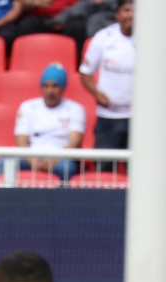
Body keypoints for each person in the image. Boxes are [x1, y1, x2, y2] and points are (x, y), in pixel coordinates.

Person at [0, 63, 85, 182]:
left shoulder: (75, 109)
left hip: (60, 158)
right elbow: (21, 142)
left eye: (55, 86)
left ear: (62, 87)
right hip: (30, 155)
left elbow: (74, 143)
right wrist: (33, 161)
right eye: (46, 86)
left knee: (66, 168)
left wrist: (54, 159)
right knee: (2, 164)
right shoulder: (28, 106)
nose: (50, 91)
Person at [79, 0, 133, 172]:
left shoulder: (151, 39)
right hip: (108, 117)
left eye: (135, 11)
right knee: (104, 170)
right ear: (117, 14)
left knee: (140, 172)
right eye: (126, 10)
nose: (130, 15)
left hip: (139, 119)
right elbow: (86, 72)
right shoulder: (104, 37)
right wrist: (96, 93)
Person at [15, 0, 87, 62]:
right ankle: (24, 62)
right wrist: (34, 3)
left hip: (68, 19)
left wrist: (62, 19)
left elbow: (84, 6)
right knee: (26, 24)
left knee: (78, 27)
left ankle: (77, 65)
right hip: (41, 17)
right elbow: (24, 5)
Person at [51, 0, 117, 40]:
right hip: (91, 29)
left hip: (112, 27)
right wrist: (58, 20)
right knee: (75, 25)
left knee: (95, 20)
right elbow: (76, 9)